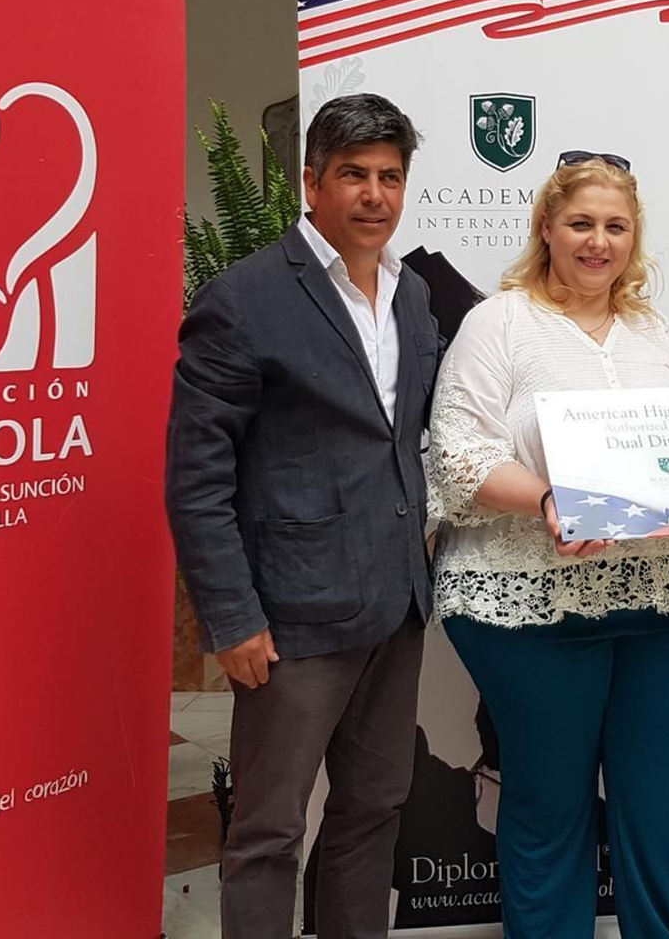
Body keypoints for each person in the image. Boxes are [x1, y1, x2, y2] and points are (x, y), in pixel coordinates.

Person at [424, 154, 669, 938]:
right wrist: (549, 501)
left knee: (663, 800)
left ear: (634, 240)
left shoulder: (653, 331)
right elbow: (456, 452)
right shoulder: (498, 323)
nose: (597, 242)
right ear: (546, 229)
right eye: (581, 223)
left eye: (615, 227)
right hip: (535, 609)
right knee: (546, 802)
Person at [165, 94, 443, 938]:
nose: (374, 195)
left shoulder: (413, 297)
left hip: (396, 608)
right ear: (312, 183)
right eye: (354, 175)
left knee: (373, 811)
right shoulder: (245, 298)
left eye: (390, 177)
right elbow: (196, 477)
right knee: (268, 831)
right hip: (289, 622)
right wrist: (233, 619)